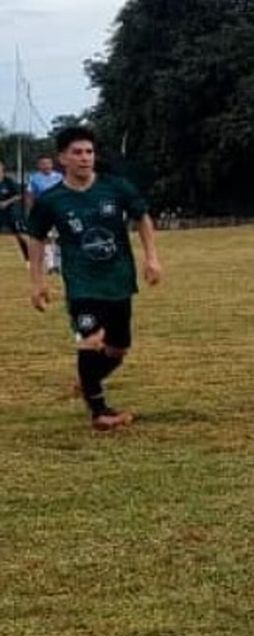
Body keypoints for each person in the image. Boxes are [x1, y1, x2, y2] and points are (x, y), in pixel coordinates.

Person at [26, 126, 163, 430]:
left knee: (117, 349)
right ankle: (99, 412)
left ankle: (87, 381)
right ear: (62, 158)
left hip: (118, 281)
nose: (85, 158)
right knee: (90, 341)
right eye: (77, 152)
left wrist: (151, 258)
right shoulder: (52, 200)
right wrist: (37, 282)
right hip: (82, 285)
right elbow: (36, 238)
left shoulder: (116, 187)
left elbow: (142, 217)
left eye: (89, 152)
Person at [27, 154, 65, 274]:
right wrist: (31, 211)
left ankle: (58, 265)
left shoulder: (60, 177)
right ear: (39, 165)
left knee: (60, 238)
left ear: (52, 164)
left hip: (59, 211)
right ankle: (49, 265)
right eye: (43, 163)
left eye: (48, 163)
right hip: (43, 212)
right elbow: (30, 195)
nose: (46, 166)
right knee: (46, 238)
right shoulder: (33, 178)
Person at [0, 161, 27, 261]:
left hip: (9, 212)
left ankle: (27, 257)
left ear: (3, 169)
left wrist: (6, 202)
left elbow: (18, 195)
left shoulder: (8, 181)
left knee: (19, 234)